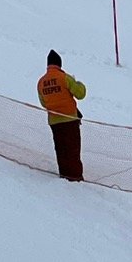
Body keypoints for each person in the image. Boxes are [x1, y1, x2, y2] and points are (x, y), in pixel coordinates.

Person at [37, 50, 86, 182]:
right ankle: (75, 177)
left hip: (54, 121)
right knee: (73, 149)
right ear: (59, 64)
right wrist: (79, 84)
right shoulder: (65, 78)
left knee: (61, 149)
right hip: (70, 119)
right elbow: (80, 94)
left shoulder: (41, 82)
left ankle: (64, 174)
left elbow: (43, 102)